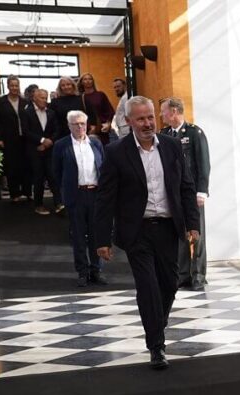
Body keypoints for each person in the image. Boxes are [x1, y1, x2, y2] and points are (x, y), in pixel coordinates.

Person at [94, 96, 200, 370]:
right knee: (148, 287)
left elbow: (186, 187)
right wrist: (102, 239)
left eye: (150, 117)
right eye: (140, 119)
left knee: (168, 284)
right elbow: (106, 197)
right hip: (136, 231)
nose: (147, 123)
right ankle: (157, 345)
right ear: (129, 122)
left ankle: (156, 325)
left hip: (167, 227)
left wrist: (192, 224)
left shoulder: (173, 147)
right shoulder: (117, 152)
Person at [160, 97, 211, 290]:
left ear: (173, 111)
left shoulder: (194, 133)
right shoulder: (164, 134)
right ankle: (182, 275)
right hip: (173, 193)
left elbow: (203, 162)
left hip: (192, 193)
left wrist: (202, 191)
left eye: (163, 111)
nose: (161, 114)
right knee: (180, 234)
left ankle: (198, 275)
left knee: (197, 234)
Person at [53, 110, 105, 287]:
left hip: (95, 194)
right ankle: (82, 272)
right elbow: (56, 172)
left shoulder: (96, 144)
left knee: (96, 235)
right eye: (76, 124)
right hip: (75, 195)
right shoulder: (61, 145)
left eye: (82, 123)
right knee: (78, 237)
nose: (80, 127)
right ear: (69, 126)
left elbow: (103, 168)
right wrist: (63, 195)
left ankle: (96, 270)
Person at [22, 89, 61, 216]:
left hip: (49, 150)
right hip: (34, 150)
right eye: (42, 98)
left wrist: (49, 141)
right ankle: (38, 205)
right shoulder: (27, 112)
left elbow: (57, 130)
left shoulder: (51, 112)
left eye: (46, 98)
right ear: (34, 98)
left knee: (53, 176)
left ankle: (58, 204)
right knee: (38, 177)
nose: (45, 100)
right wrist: (42, 140)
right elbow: (26, 131)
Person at [0, 76, 31, 202]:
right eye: (12, 85)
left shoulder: (25, 102)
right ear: (8, 86)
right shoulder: (0, 102)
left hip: (25, 139)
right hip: (8, 138)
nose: (14, 88)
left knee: (26, 165)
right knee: (12, 166)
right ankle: (14, 193)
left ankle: (27, 192)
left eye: (16, 85)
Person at [78, 73, 115, 145]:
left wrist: (108, 123)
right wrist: (89, 127)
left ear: (93, 81)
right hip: (87, 130)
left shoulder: (100, 95)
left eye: (90, 79)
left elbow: (109, 110)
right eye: (85, 79)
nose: (88, 81)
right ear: (81, 82)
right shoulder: (80, 98)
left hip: (101, 129)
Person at [50, 76, 87, 143]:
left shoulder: (81, 99)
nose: (66, 87)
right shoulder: (55, 101)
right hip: (62, 136)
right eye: (63, 85)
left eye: (68, 84)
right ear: (60, 88)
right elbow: (53, 121)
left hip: (81, 134)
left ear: (73, 85)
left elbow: (90, 114)